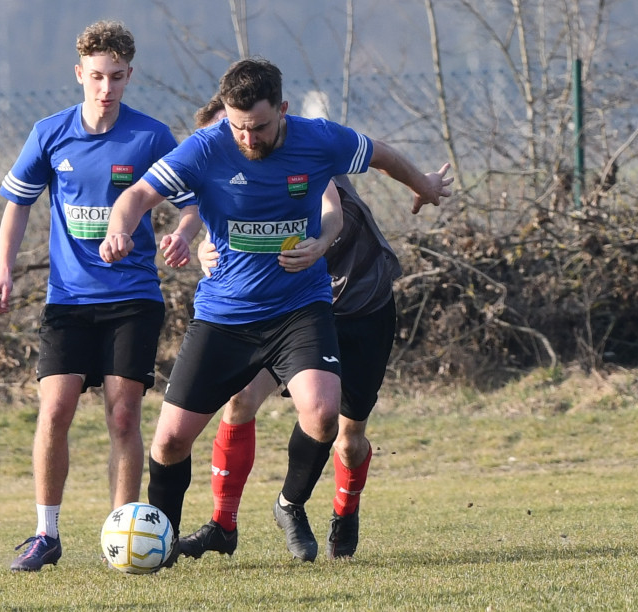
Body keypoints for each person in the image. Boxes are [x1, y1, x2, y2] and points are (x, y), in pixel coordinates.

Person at [99, 58, 451, 565]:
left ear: (282, 110)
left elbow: (382, 155)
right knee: (171, 439)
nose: (246, 137)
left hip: (298, 308)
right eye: (237, 126)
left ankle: (289, 502)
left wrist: (422, 185)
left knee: (324, 410)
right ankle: (164, 540)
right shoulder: (208, 145)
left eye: (259, 126)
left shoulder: (318, 139)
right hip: (225, 314)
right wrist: (120, 228)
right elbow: (136, 195)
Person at [0, 20, 200, 572]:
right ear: (80, 74)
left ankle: (122, 537)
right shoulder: (50, 133)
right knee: (54, 410)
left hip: (133, 299)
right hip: (68, 302)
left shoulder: (150, 137)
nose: (106, 88)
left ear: (130, 76)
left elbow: (194, 200)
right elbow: (19, 203)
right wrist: (3, 270)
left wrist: (182, 231)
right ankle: (45, 533)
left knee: (123, 418)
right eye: (97, 77)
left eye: (117, 77)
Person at [180, 96, 401, 562]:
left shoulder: (305, 155)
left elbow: (331, 209)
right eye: (228, 134)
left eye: (247, 130)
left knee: (347, 437)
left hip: (360, 305)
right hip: (292, 313)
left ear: (271, 122)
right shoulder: (226, 168)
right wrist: (202, 244)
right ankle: (224, 525)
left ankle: (343, 509)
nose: (241, 142)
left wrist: (319, 243)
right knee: (240, 400)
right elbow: (221, 219)